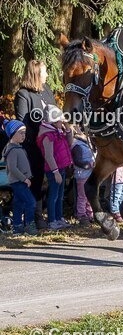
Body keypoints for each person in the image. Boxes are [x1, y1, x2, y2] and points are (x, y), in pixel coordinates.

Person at [14, 59, 58, 229]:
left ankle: (52, 215)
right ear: (36, 74)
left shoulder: (47, 90)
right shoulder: (23, 94)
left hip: (52, 143)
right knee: (36, 180)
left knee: (53, 180)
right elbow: (23, 122)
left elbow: (55, 112)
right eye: (44, 72)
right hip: (33, 146)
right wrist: (38, 138)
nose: (47, 74)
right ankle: (34, 218)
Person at [36, 108, 73, 230]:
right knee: (54, 195)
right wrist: (55, 172)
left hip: (61, 168)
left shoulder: (58, 132)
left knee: (60, 195)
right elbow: (48, 156)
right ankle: (52, 220)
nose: (62, 123)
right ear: (52, 121)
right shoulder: (48, 135)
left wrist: (68, 130)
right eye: (59, 121)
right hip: (54, 170)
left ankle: (59, 217)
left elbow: (69, 143)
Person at [2, 120, 37, 236]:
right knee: (31, 202)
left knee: (19, 203)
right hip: (18, 181)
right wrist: (24, 179)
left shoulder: (18, 148)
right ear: (12, 134)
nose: (23, 136)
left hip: (20, 181)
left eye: (24, 133)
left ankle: (17, 227)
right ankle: (29, 224)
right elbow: (13, 168)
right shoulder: (12, 150)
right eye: (21, 133)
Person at [70, 130, 95, 224]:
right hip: (82, 175)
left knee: (89, 196)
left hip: (89, 174)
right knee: (82, 196)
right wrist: (89, 165)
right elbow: (77, 161)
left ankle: (90, 213)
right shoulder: (78, 145)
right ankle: (81, 214)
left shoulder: (85, 144)